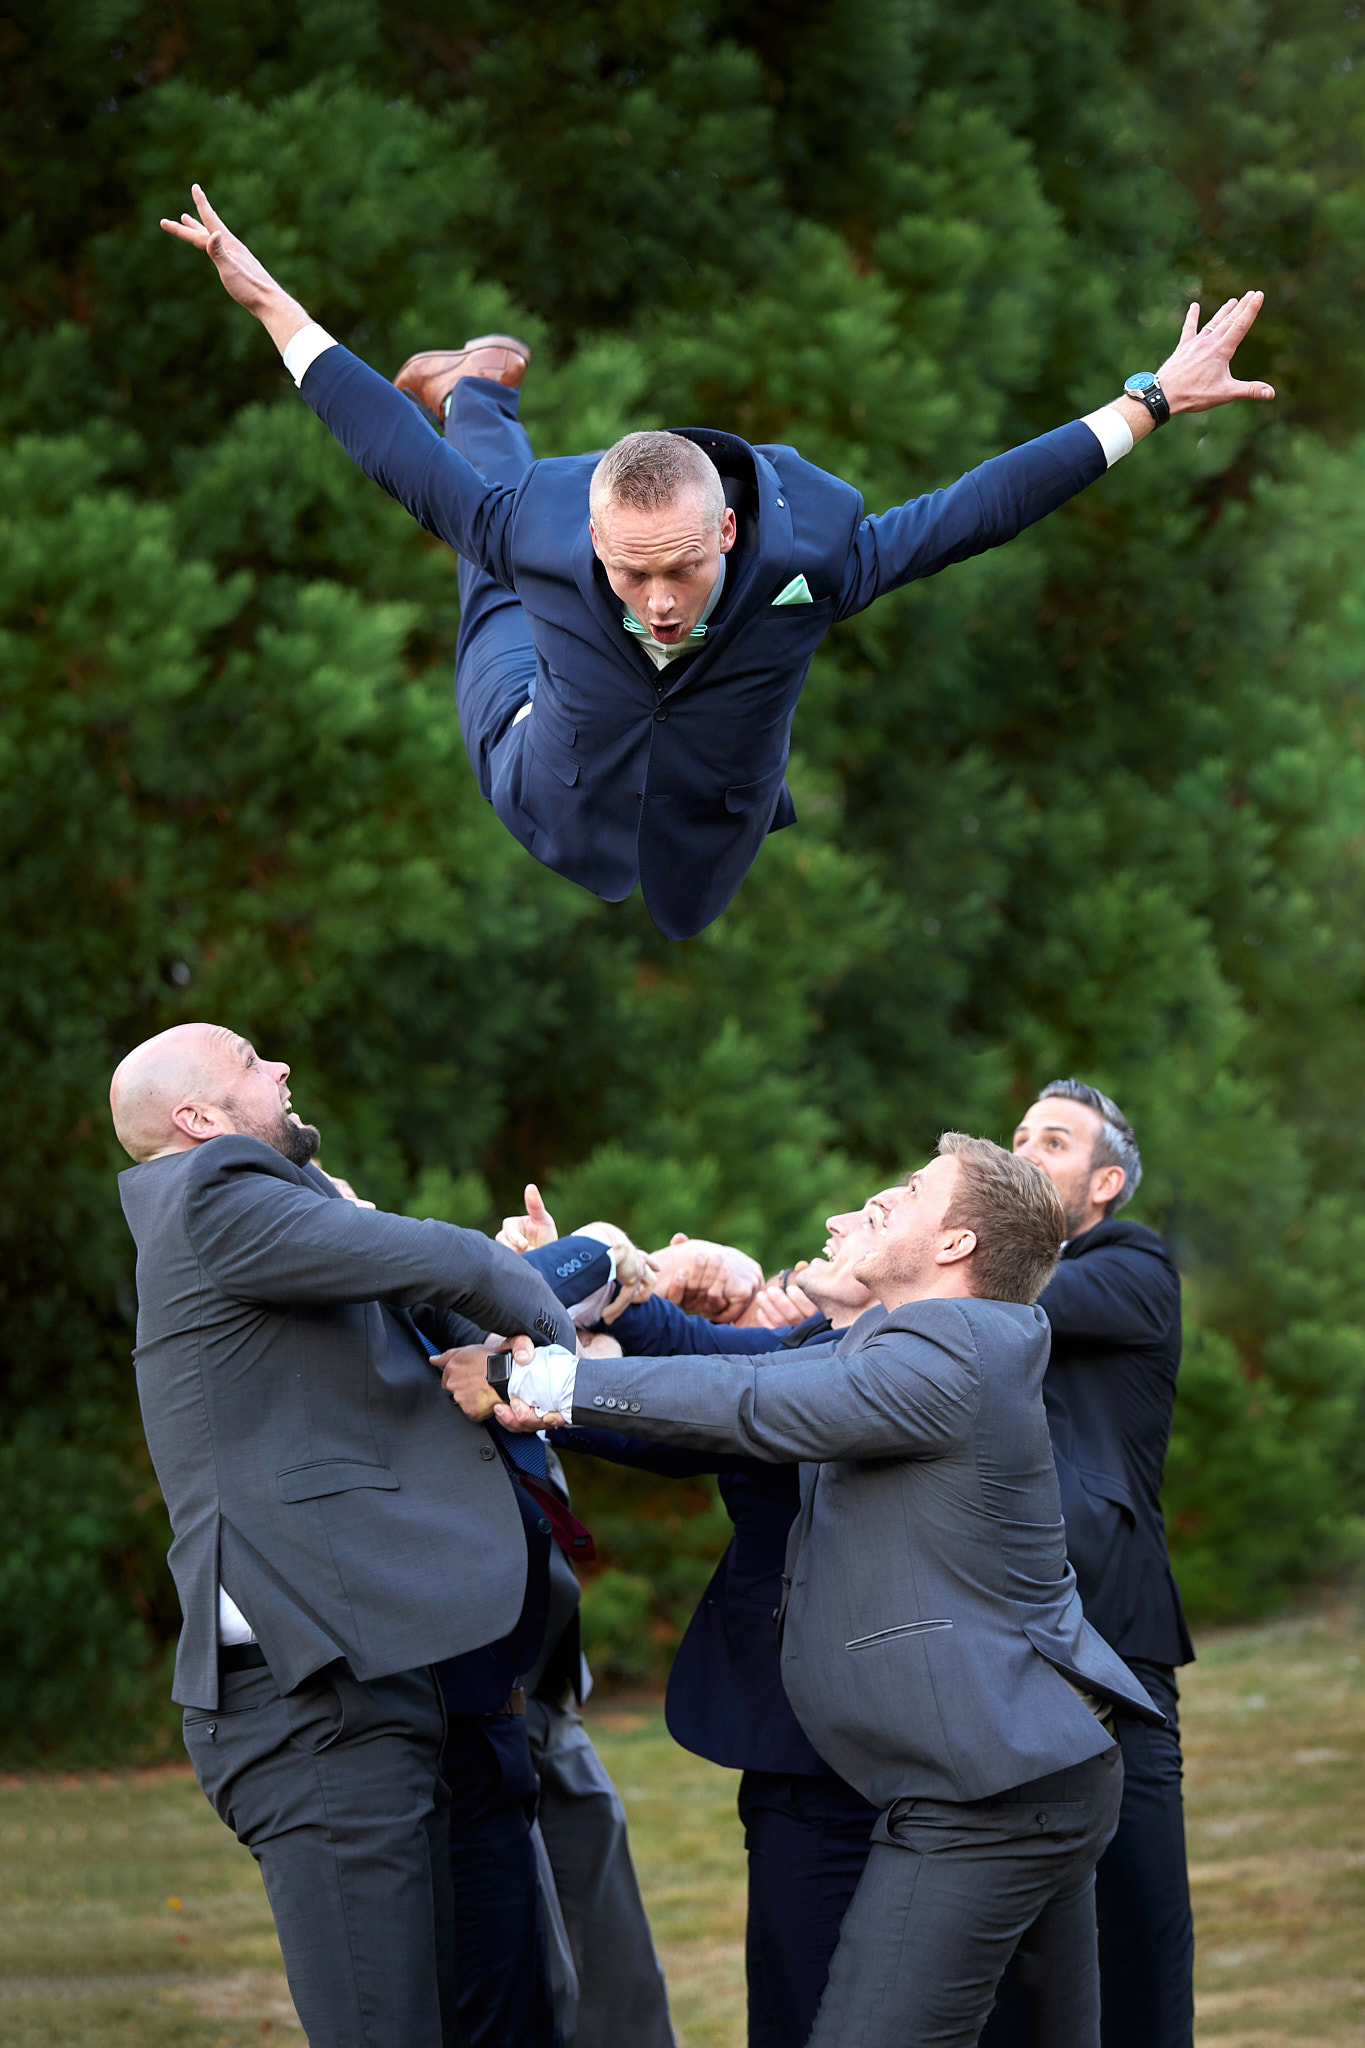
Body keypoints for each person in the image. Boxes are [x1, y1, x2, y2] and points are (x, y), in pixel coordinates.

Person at [161, 185, 1274, 938]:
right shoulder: (551, 539)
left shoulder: (815, 558)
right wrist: (271, 302)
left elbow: (976, 509)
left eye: (682, 571)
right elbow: (388, 449)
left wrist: (1151, 397)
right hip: (538, 748)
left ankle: (476, 391)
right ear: (598, 543)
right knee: (482, 536)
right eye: (631, 572)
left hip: (706, 816)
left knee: (492, 521)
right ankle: (474, 393)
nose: (657, 601)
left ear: (729, 535)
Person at [445, 1136, 1165, 2048]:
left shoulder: (959, 1342)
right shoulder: (897, 1341)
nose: (865, 1208)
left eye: (907, 1195)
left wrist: (527, 1377)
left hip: (991, 1791)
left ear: (954, 1245)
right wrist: (576, 1337)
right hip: (1010, 1775)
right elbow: (744, 1375)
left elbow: (747, 1405)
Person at [109, 1021, 577, 2048]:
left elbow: (434, 1313)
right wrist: (554, 1334)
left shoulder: (272, 1226)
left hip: (371, 1675)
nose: (279, 1066)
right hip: (309, 1702)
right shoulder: (211, 1191)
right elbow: (442, 1256)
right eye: (249, 1060)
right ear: (198, 1119)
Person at [525, 1201, 888, 2048]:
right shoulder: (818, 1342)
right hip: (800, 1734)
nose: (837, 1218)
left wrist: (540, 1372)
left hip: (846, 1737)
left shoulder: (887, 1355)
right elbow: (699, 1367)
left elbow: (727, 1393)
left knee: (828, 2001)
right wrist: (608, 1287)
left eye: (878, 1213)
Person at [987, 1080, 1194, 2048]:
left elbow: (1021, 1295)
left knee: (1133, 1927)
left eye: (1054, 1141)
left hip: (1112, 1636)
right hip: (995, 1643)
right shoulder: (964, 1291)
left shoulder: (1132, 1263)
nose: (1024, 1148)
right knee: (1007, 1945)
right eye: (1019, 1134)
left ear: (1104, 1183)